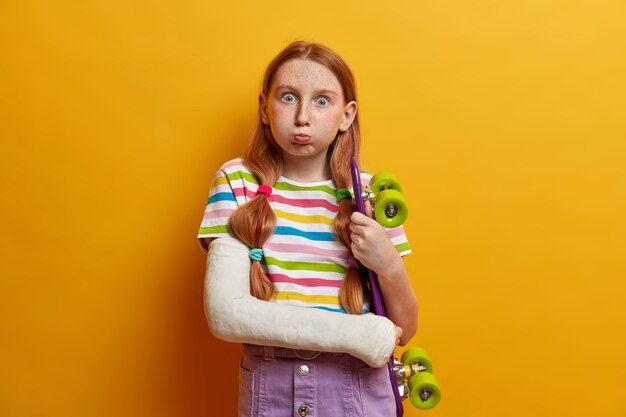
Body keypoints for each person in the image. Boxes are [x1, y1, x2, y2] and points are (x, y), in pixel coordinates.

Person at [198, 40, 418, 417]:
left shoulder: (371, 197)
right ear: (264, 108)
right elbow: (225, 312)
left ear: (346, 115)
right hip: (274, 388)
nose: (303, 116)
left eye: (322, 101)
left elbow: (403, 330)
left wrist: (389, 264)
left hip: (359, 389)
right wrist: (354, 334)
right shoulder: (237, 182)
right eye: (288, 97)